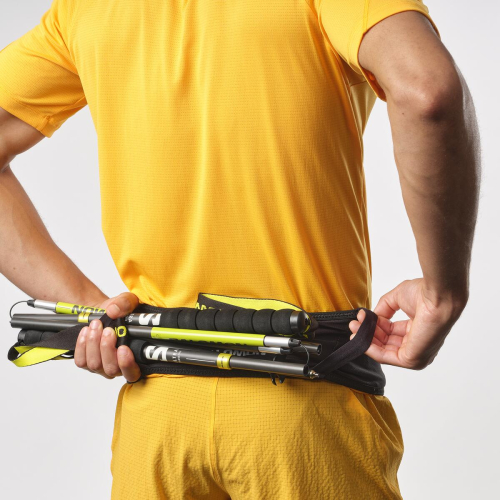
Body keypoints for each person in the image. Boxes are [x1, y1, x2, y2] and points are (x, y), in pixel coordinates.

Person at [0, 0, 480, 498]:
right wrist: (443, 293)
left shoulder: (86, 9)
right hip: (305, 415)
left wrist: (93, 313)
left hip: (158, 424)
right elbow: (426, 90)